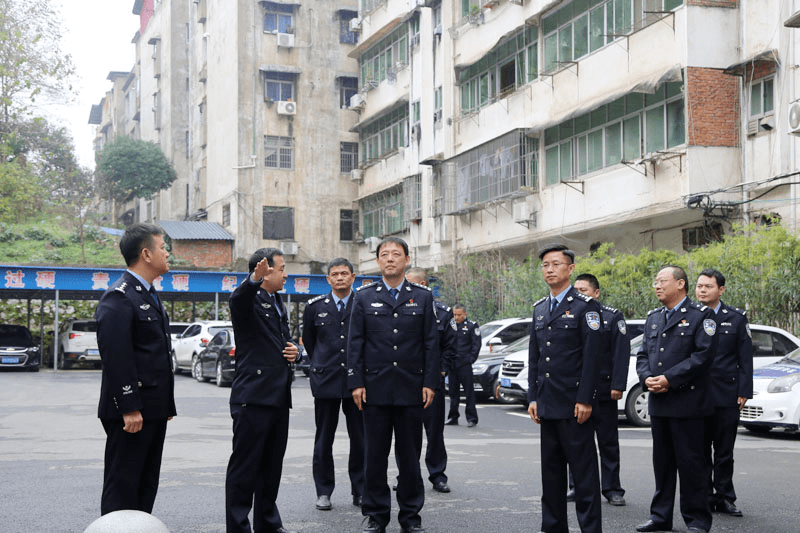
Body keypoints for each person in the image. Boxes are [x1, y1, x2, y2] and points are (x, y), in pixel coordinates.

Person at [347, 237, 439, 533]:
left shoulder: (423, 297)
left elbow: (430, 344)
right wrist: (356, 382)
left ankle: (411, 516)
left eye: (396, 254)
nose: (390, 259)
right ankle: (376, 515)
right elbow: (355, 343)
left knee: (410, 458)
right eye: (384, 255)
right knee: (374, 456)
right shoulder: (363, 296)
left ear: (407, 260)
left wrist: (430, 382)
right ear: (377, 262)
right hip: (374, 389)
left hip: (412, 389)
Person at [95, 223, 176, 515]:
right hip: (132, 413)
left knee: (145, 486)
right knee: (123, 487)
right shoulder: (120, 296)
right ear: (146, 254)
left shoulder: (148, 294)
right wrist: (129, 407)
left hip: (152, 409)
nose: (168, 253)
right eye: (163, 247)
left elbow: (154, 356)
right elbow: (117, 357)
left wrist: (165, 403)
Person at [527, 244, 603, 533]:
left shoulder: (586, 307)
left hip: (575, 406)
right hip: (547, 404)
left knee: (583, 476)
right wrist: (533, 397)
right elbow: (535, 358)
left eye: (556, 264)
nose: (549, 269)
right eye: (545, 265)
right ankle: (553, 527)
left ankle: (590, 529)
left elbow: (592, 358)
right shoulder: (540, 308)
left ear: (570, 269)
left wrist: (585, 399)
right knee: (552, 475)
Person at [635, 265, 717, 533]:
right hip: (659, 403)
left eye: (662, 281)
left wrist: (669, 378)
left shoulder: (701, 316)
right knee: (663, 464)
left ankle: (697, 520)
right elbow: (643, 354)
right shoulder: (654, 317)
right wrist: (647, 377)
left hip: (688, 404)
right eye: (655, 281)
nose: (657, 286)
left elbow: (702, 356)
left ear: (680, 284)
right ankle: (660, 517)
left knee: (692, 465)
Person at [225, 248, 299, 533]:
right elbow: (237, 299)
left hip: (279, 395)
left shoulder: (277, 300)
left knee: (271, 467)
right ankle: (238, 526)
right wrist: (252, 280)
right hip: (253, 396)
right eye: (281, 268)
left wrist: (297, 353)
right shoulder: (249, 298)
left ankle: (268, 523)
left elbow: (285, 343)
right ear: (264, 271)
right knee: (245, 469)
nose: (286, 274)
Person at [302, 258, 364, 511]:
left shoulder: (363, 304)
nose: (339, 278)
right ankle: (324, 492)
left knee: (360, 439)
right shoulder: (315, 307)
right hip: (325, 379)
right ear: (328, 279)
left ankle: (359, 490)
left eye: (344, 273)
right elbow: (309, 341)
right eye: (334, 274)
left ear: (353, 277)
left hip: (357, 382)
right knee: (323, 438)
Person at [566, 273, 629, 506]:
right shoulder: (569, 314)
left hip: (603, 390)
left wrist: (617, 384)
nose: (579, 293)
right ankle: (577, 486)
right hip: (577, 391)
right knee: (577, 443)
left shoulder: (612, 317)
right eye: (576, 289)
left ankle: (612, 489)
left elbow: (621, 352)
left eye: (583, 289)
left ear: (596, 293)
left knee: (608, 442)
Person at [695, 268, 752, 518]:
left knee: (724, 450)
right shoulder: (690, 316)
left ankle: (725, 497)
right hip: (696, 394)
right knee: (699, 449)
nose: (702, 290)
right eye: (699, 286)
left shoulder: (736, 318)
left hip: (726, 393)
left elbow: (745, 358)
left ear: (721, 290)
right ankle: (705, 497)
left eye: (708, 286)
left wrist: (744, 391)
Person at [405, 266, 455, 493]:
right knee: (407, 433)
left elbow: (450, 347)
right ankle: (407, 474)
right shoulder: (402, 310)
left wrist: (441, 371)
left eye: (411, 284)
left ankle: (437, 475)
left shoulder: (442, 313)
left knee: (434, 432)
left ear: (423, 285)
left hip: (432, 381)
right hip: (407, 381)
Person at [445, 304, 481, 428]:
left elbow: (476, 345)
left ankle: (472, 418)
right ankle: (453, 417)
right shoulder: (450, 325)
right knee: (453, 393)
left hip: (464, 364)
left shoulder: (471, 326)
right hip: (452, 364)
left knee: (469, 393)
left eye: (459, 315)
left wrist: (470, 359)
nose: (456, 317)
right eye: (455, 314)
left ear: (465, 314)